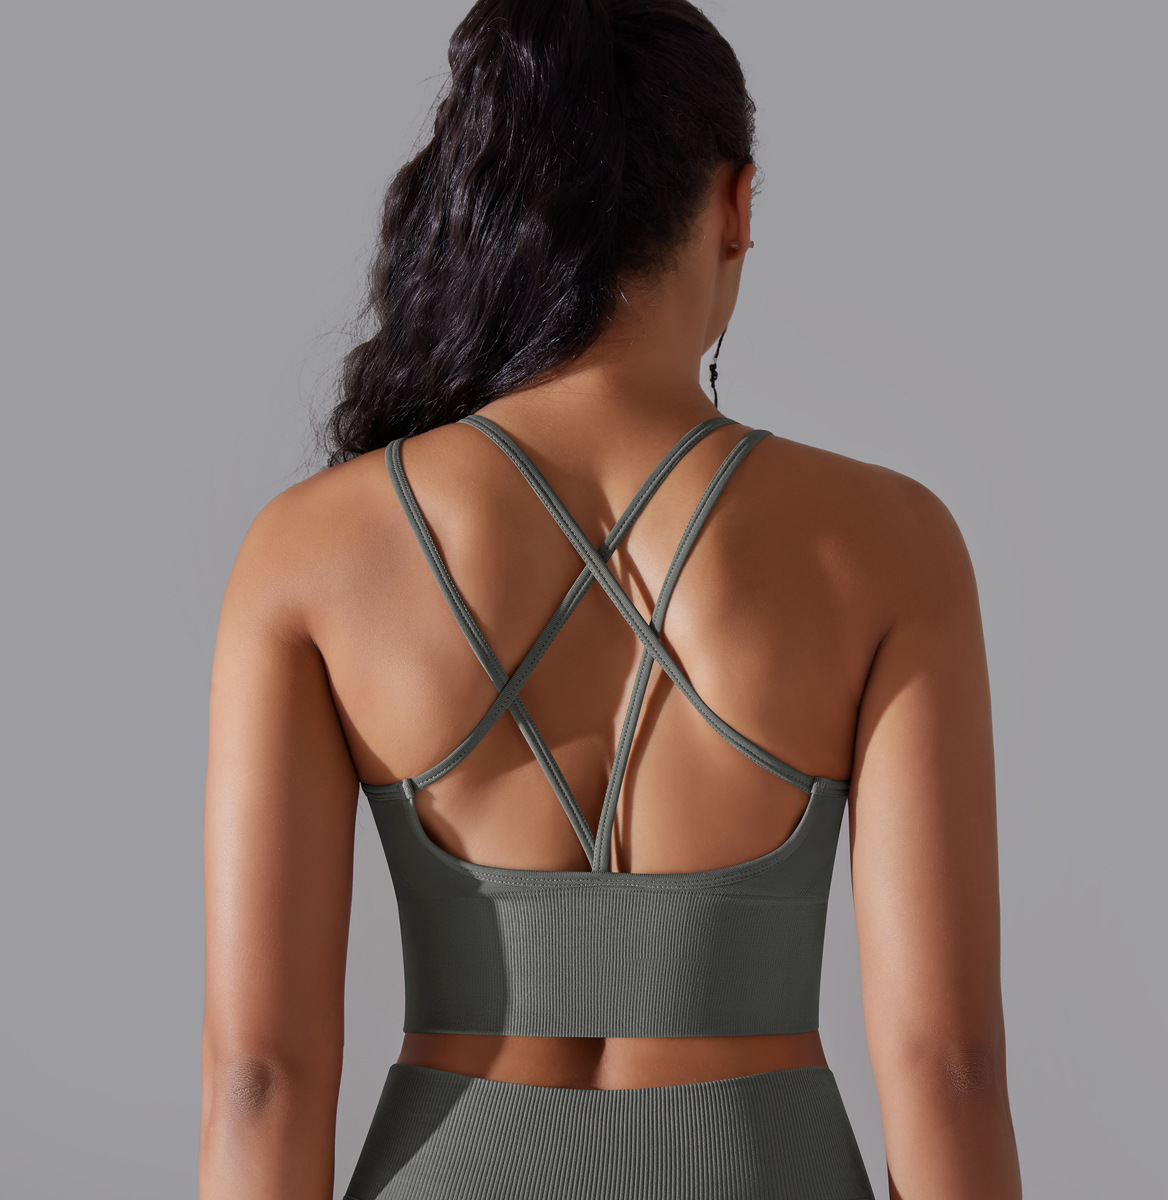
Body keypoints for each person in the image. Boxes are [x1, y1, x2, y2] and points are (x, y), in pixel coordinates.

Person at [199, 1, 1022, 1197]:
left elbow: (258, 1078)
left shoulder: (310, 553)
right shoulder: (889, 544)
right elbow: (950, 1069)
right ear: (736, 207)